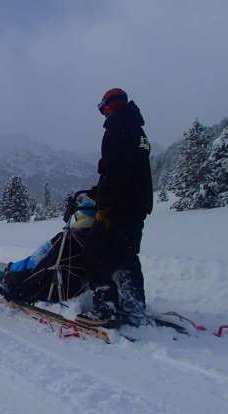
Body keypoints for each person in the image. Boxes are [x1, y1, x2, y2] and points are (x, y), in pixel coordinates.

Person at [81, 88, 153, 327]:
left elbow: (114, 171)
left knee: (94, 250)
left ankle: (105, 308)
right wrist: (98, 190)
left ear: (110, 106)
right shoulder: (138, 129)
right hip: (138, 204)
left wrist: (104, 204)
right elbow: (130, 169)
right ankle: (134, 306)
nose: (103, 114)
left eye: (103, 108)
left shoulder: (117, 126)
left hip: (119, 206)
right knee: (126, 254)